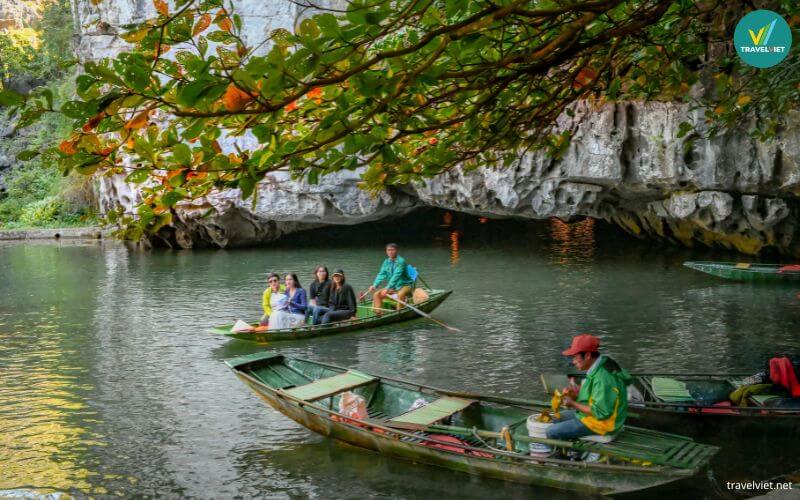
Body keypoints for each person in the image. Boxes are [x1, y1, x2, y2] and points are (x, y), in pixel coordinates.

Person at [546, 334, 632, 441]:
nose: (573, 361)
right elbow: (598, 395)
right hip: (596, 416)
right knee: (555, 418)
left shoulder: (603, 378)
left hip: (604, 424)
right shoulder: (601, 364)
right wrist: (576, 394)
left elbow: (601, 413)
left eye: (576, 357)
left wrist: (573, 404)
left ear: (587, 356)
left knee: (551, 432)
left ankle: (566, 454)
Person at [366, 243, 414, 315]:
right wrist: (374, 285)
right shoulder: (386, 262)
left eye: (392, 250)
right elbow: (381, 274)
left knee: (400, 294)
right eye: (388, 250)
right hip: (393, 286)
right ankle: (379, 314)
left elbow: (396, 276)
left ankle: (399, 313)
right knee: (376, 294)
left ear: (396, 251)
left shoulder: (401, 261)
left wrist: (387, 288)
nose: (390, 252)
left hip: (405, 285)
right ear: (386, 251)